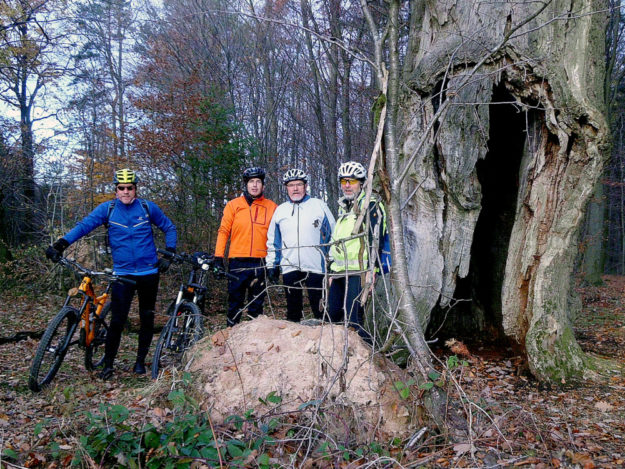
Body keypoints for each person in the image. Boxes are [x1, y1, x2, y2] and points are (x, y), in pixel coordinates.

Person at [45, 168, 177, 379]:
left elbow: (169, 227)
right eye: (121, 188)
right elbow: (84, 226)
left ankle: (140, 362)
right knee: (117, 320)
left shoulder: (147, 208)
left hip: (149, 272)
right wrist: (61, 244)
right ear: (115, 190)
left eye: (129, 188)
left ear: (136, 189)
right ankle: (108, 364)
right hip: (122, 274)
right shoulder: (107, 209)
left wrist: (169, 254)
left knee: (147, 318)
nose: (125, 192)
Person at [327, 161, 390, 340]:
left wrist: (372, 270)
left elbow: (376, 239)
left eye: (352, 181)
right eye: (344, 181)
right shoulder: (343, 208)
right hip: (339, 272)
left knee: (353, 320)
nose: (347, 185)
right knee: (333, 316)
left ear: (361, 183)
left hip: (359, 272)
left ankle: (367, 358)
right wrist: (332, 271)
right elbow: (335, 242)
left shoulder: (370, 205)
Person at [266, 169, 336, 322]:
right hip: (290, 266)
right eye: (291, 185)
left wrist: (332, 260)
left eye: (299, 184)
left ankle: (323, 341)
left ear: (305, 186)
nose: (295, 188)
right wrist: (272, 264)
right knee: (293, 311)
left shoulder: (319, 206)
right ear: (286, 187)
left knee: (320, 309)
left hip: (315, 266)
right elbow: (273, 240)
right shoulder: (280, 210)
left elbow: (333, 234)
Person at [214, 167, 277, 327]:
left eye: (258, 182)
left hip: (260, 262)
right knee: (235, 303)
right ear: (246, 185)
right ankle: (231, 338)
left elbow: (277, 237)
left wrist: (275, 263)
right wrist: (218, 257)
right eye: (251, 182)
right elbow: (223, 231)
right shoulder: (233, 205)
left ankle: (253, 343)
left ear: (263, 185)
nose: (255, 185)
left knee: (256, 305)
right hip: (238, 262)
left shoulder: (272, 207)